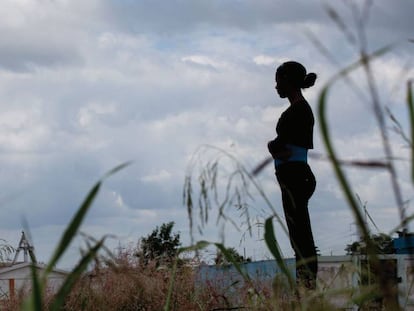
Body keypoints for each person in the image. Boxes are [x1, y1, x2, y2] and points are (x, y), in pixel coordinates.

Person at [267, 61, 318, 290]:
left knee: (301, 239)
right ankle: (305, 286)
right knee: (299, 237)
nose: (275, 85)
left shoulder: (299, 111)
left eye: (278, 80)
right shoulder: (297, 110)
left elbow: (285, 148)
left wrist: (272, 145)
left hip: (296, 177)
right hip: (295, 178)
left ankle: (307, 288)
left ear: (287, 80)